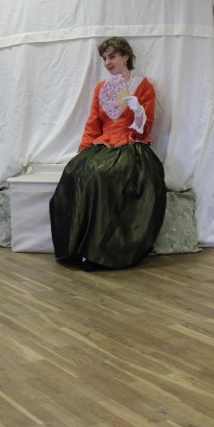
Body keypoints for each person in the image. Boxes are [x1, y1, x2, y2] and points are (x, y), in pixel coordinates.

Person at [50, 37, 167, 270]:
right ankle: (75, 247)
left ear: (126, 57)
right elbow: (93, 124)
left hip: (131, 146)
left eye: (112, 56)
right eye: (104, 58)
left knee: (103, 176)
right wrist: (83, 151)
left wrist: (138, 110)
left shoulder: (144, 87)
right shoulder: (102, 88)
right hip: (103, 145)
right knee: (75, 172)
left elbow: (145, 129)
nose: (107, 62)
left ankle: (98, 252)